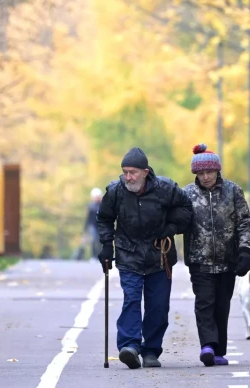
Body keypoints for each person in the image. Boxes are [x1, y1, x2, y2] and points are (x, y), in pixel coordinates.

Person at [96, 147, 193, 369]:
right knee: (131, 299)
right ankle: (129, 346)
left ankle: (151, 350)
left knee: (158, 306)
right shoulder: (115, 191)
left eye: (132, 172)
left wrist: (171, 227)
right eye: (125, 172)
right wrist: (105, 246)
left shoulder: (166, 189)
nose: (127, 177)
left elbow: (186, 208)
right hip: (128, 254)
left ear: (145, 172)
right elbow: (104, 218)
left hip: (160, 256)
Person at [182, 143, 250, 367]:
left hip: (228, 261)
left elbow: (244, 222)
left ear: (217, 171)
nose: (205, 177)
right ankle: (208, 346)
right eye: (201, 173)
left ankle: (219, 350)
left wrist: (245, 250)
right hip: (199, 260)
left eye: (209, 172)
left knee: (222, 306)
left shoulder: (233, 191)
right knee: (204, 303)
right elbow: (178, 220)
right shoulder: (187, 194)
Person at [78, 187, 103, 261]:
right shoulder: (91, 206)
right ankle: (94, 256)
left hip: (101, 225)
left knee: (101, 241)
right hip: (92, 226)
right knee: (94, 240)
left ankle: (100, 256)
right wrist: (85, 229)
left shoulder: (103, 205)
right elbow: (88, 218)